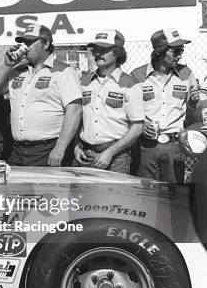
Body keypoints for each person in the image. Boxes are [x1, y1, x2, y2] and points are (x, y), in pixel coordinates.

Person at [0, 24, 82, 166]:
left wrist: (60, 148)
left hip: (48, 149)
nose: (25, 46)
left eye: (30, 42)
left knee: (48, 189)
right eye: (24, 42)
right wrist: (7, 65)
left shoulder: (63, 71)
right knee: (17, 188)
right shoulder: (18, 71)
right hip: (18, 150)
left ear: (46, 44)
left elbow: (74, 110)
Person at [131, 28, 199, 182]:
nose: (180, 55)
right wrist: (143, 125)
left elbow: (193, 119)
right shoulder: (137, 75)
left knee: (174, 198)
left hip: (175, 146)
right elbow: (127, 112)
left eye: (181, 50)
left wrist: (193, 105)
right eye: (175, 51)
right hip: (146, 147)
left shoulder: (186, 73)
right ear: (160, 52)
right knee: (146, 196)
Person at [74, 30, 144, 173]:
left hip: (116, 157)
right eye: (96, 49)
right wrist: (76, 146)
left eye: (105, 50)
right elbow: (77, 117)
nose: (99, 53)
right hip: (85, 154)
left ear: (117, 53)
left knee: (114, 196)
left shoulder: (130, 84)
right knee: (86, 196)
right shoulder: (84, 81)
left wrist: (110, 152)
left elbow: (137, 126)